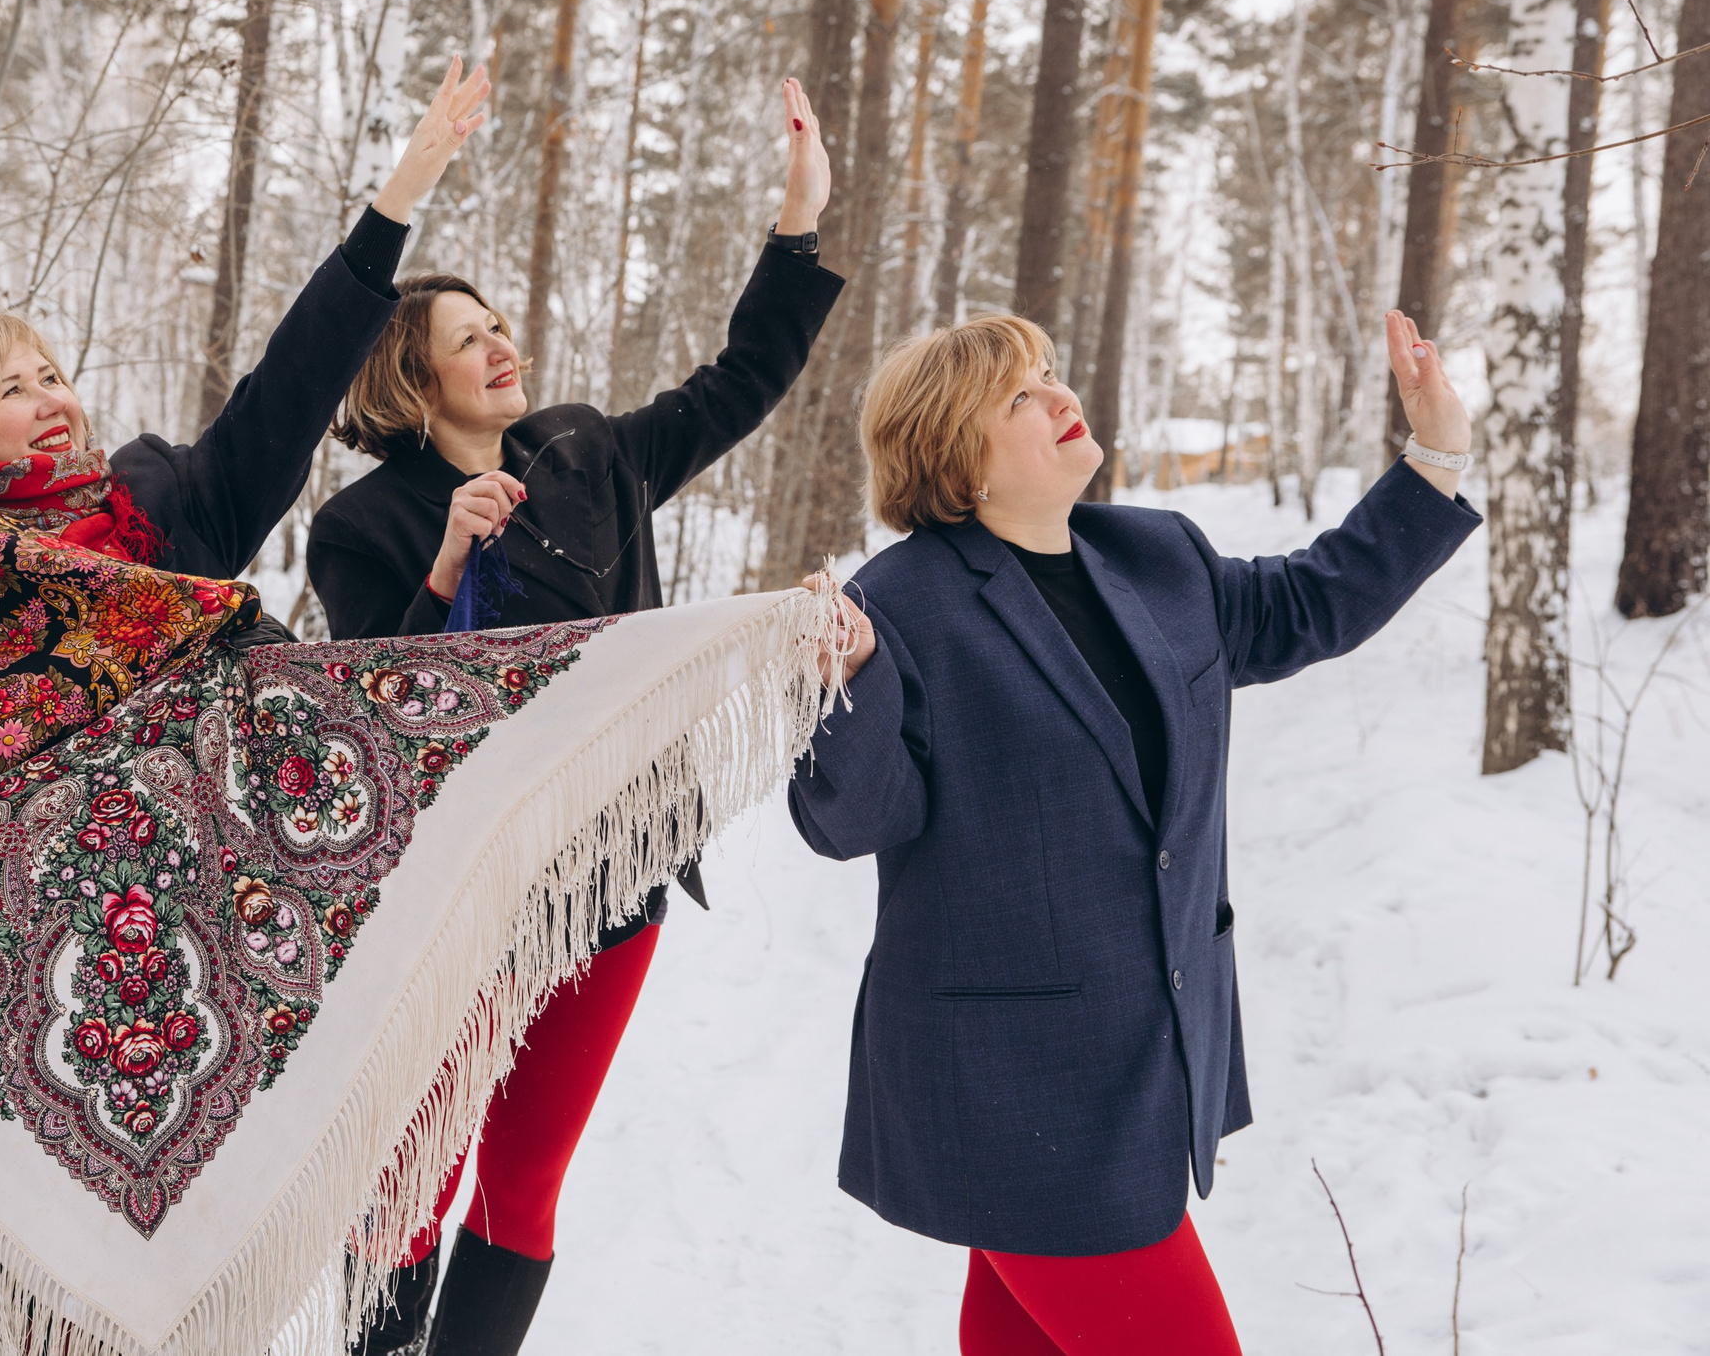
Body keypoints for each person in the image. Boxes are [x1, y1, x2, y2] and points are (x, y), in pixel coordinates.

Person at [787, 309, 1482, 1355]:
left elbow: (1314, 602)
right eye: (1020, 395)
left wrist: (1434, 451)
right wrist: (844, 686)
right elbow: (850, 822)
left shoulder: (1156, 557)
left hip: (1150, 1059)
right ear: (953, 455)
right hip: (1008, 1084)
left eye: (1054, 374)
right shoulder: (900, 606)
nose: (1063, 398)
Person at [305, 78, 847, 1355]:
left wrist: (797, 227)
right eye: (464, 339)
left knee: (525, 1178)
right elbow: (375, 720)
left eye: (499, 324)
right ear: (407, 383)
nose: (500, 345)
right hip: (460, 893)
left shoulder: (587, 453)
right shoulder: (361, 524)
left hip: (610, 872)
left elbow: (739, 382)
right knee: (412, 1177)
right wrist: (444, 564)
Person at [0, 60, 494, 832]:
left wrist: (396, 200)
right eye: (12, 389)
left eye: (52, 375)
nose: (53, 399)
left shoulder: (158, 504)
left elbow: (287, 390)